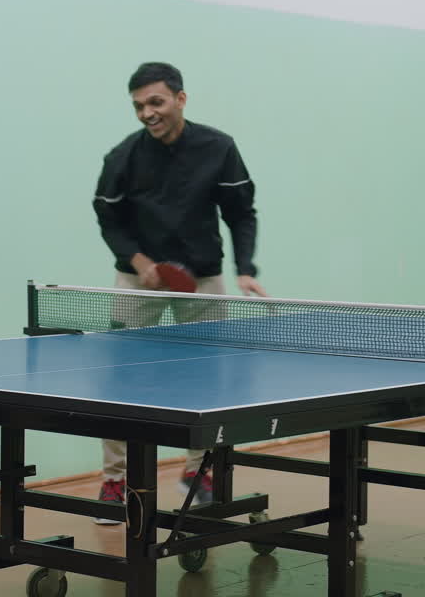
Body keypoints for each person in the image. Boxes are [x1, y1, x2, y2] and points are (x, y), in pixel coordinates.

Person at [90, 61, 265, 523]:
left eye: (156, 102)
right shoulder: (123, 157)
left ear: (180, 99)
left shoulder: (218, 148)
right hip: (138, 279)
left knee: (208, 382)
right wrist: (141, 263)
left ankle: (199, 473)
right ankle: (116, 480)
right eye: (138, 106)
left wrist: (245, 269)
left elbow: (241, 213)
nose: (147, 113)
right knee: (119, 383)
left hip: (201, 278)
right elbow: (108, 216)